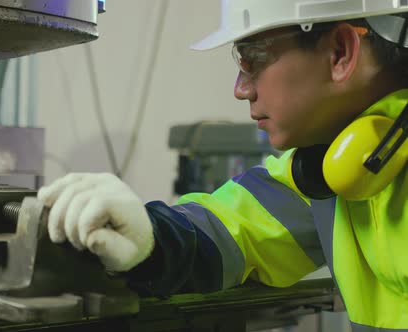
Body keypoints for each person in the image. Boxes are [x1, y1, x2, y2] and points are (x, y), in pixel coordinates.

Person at [37, 1, 408, 330]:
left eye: (255, 60)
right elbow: (236, 228)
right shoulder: (328, 171)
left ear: (340, 52)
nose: (241, 89)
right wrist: (150, 237)